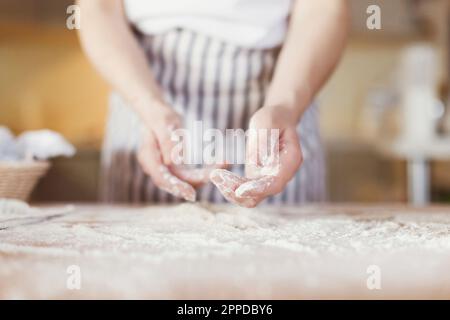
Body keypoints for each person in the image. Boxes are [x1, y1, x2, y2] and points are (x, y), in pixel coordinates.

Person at [77, 0, 348, 207]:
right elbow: (98, 9)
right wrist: (150, 106)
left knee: (280, 274)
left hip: (285, 85)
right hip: (141, 87)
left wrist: (286, 107)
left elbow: (323, 7)